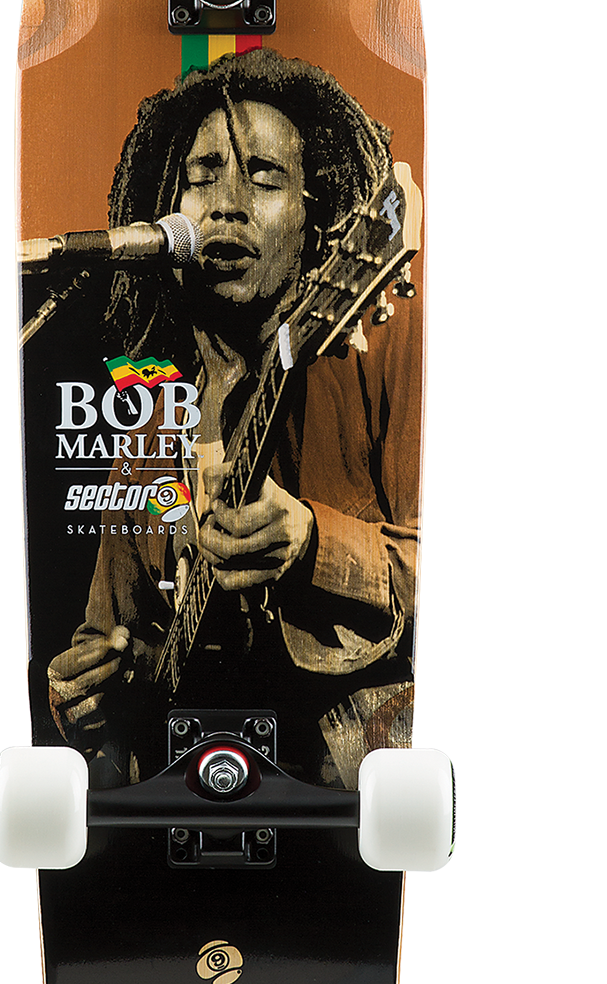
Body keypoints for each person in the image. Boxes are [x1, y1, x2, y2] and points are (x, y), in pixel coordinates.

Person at [46, 47, 421, 789]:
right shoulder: (151, 423)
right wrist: (85, 696)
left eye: (265, 176)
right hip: (180, 791)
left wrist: (314, 542)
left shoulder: (381, 350)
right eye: (204, 175)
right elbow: (105, 634)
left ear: (316, 223)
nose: (227, 204)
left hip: (349, 790)